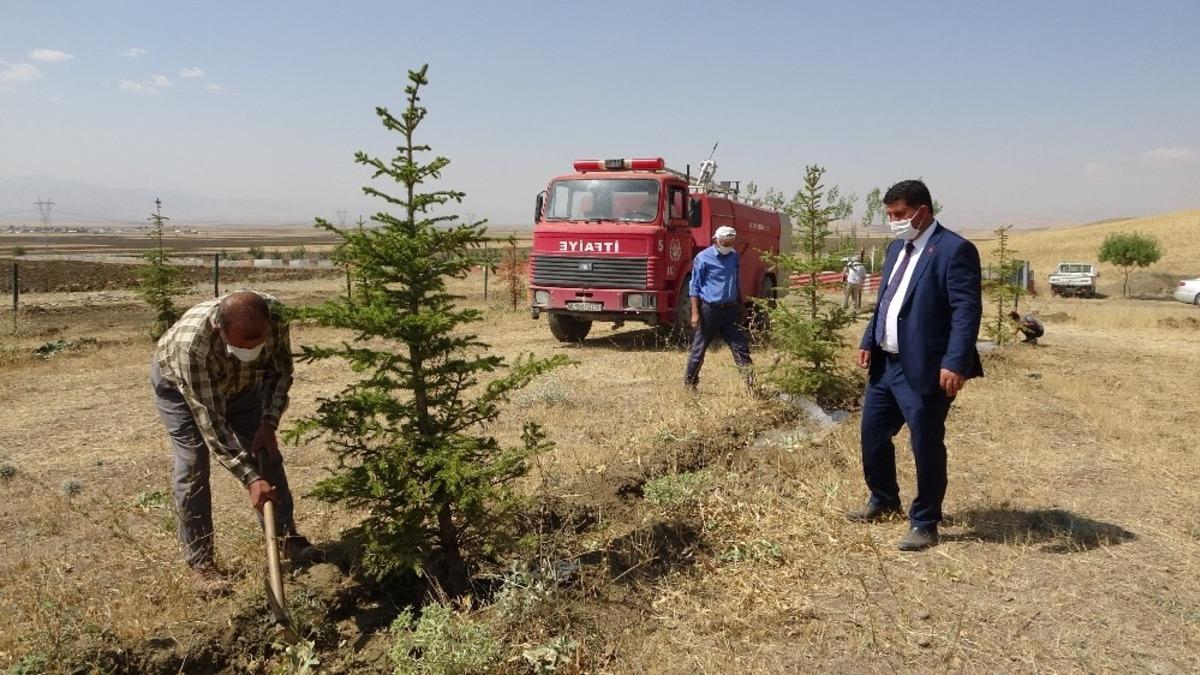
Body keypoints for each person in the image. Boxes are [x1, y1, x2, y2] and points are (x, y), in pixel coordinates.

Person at [848, 180, 983, 551]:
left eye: (900, 215)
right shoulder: (895, 250)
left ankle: (925, 520)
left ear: (922, 211)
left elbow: (966, 312)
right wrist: (867, 341)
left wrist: (955, 362)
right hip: (885, 366)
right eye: (889, 215)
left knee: (925, 443)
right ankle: (883, 497)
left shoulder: (955, 250)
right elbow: (885, 302)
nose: (893, 221)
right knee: (872, 436)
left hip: (926, 367)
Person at [150, 290, 315, 592]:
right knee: (193, 464)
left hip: (242, 386)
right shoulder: (193, 348)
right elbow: (212, 423)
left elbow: (280, 372)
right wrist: (251, 479)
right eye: (241, 346)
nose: (251, 351)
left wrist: (268, 422)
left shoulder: (275, 317)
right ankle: (201, 563)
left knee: (265, 450)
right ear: (219, 330)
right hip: (182, 391)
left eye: (258, 343)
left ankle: (286, 537)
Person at [684, 225, 753, 391]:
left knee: (741, 348)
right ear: (716, 240)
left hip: (730, 311)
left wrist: (742, 308)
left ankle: (751, 386)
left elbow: (736, 283)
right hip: (709, 311)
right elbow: (695, 287)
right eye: (724, 243)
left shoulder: (734, 256)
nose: (727, 247)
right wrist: (695, 313)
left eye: (730, 243)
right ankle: (689, 384)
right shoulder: (703, 258)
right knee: (698, 350)